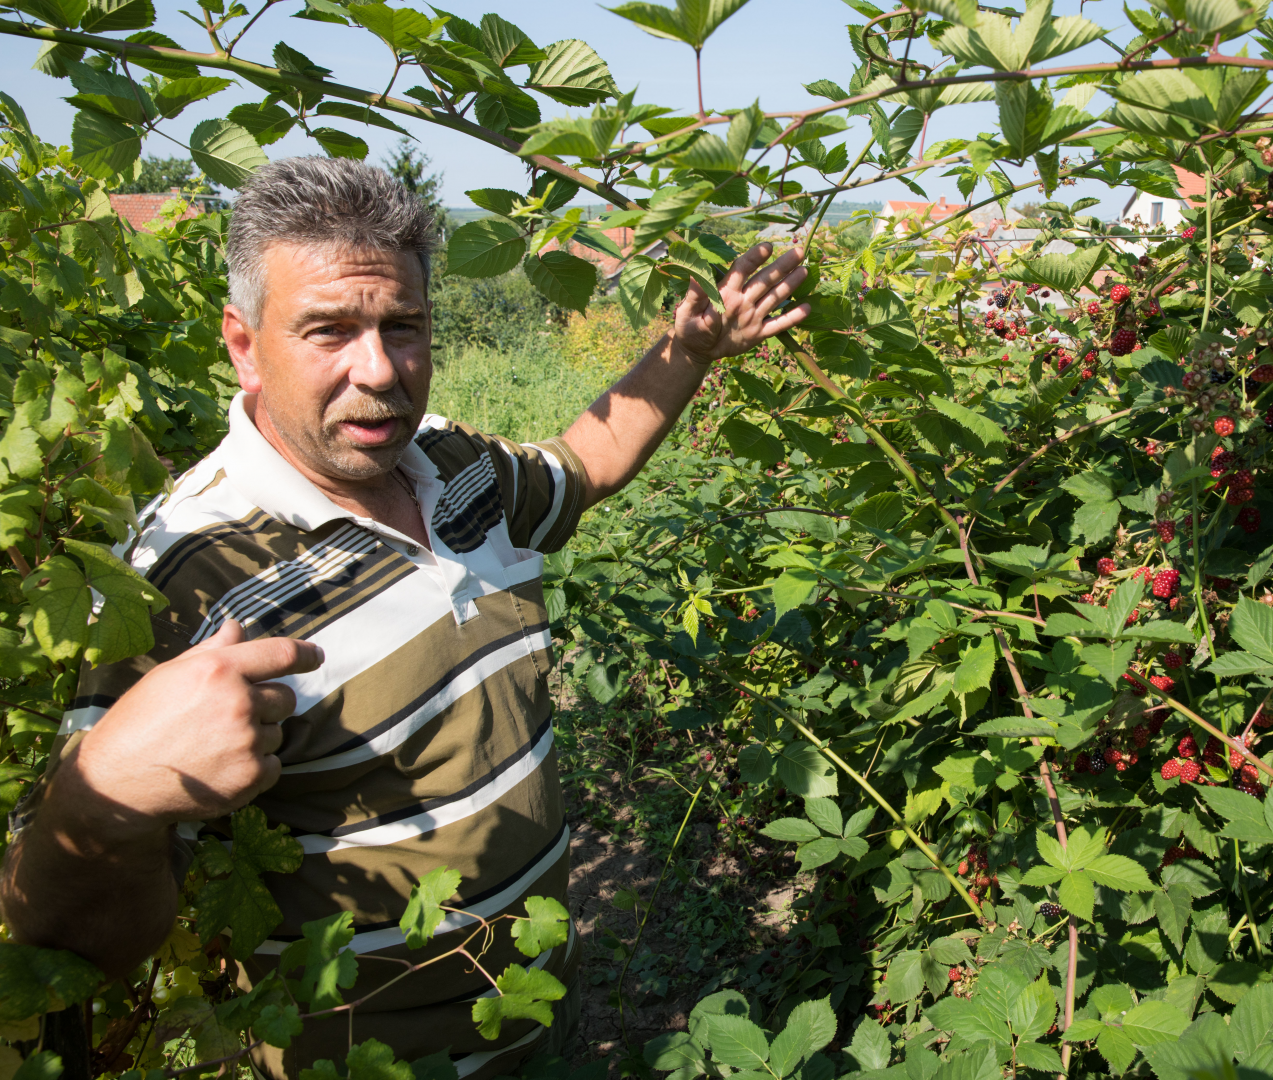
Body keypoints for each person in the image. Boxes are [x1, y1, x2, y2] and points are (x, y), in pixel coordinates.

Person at [0, 157, 809, 1078]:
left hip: (537, 1012)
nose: (378, 369)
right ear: (243, 344)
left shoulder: (457, 466)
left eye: (403, 325)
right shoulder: (188, 575)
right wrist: (102, 797)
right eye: (329, 330)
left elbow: (583, 465)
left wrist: (690, 349)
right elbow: (70, 940)